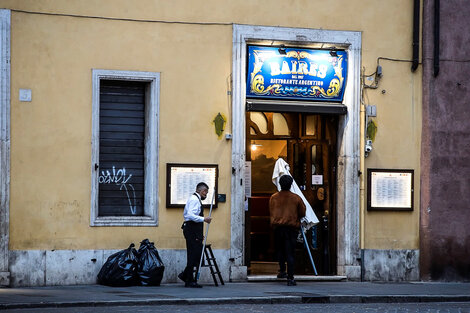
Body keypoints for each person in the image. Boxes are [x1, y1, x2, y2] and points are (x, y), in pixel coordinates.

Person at [269, 175, 306, 286]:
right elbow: (302, 213)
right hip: (291, 228)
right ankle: (290, 278)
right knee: (290, 252)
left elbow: (271, 211)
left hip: (278, 227)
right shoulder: (296, 198)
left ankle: (282, 271)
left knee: (280, 250)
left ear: (280, 184)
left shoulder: (274, 197)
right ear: (291, 185)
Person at [178, 182, 212, 288]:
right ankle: (188, 279)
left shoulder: (195, 199)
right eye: (205, 192)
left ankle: (186, 276)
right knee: (194, 255)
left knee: (196, 255)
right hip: (191, 230)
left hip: (194, 231)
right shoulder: (194, 200)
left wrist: (199, 234)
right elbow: (190, 215)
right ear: (201, 191)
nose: (206, 194)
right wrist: (204, 219)